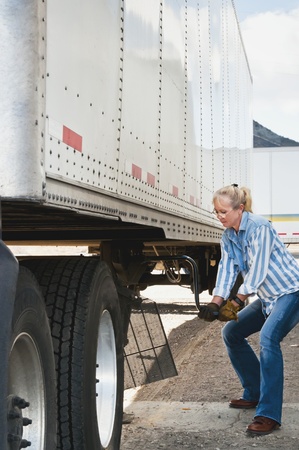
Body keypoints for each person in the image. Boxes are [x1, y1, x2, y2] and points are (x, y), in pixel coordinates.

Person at [198, 184, 299, 436]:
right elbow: (227, 269)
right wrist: (215, 302)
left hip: (290, 293)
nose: (219, 216)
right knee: (231, 332)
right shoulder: (229, 236)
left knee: (268, 338)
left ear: (240, 208)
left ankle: (269, 414)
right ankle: (254, 391)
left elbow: (258, 270)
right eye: (216, 211)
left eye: (224, 211)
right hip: (268, 299)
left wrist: (236, 301)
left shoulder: (259, 227)